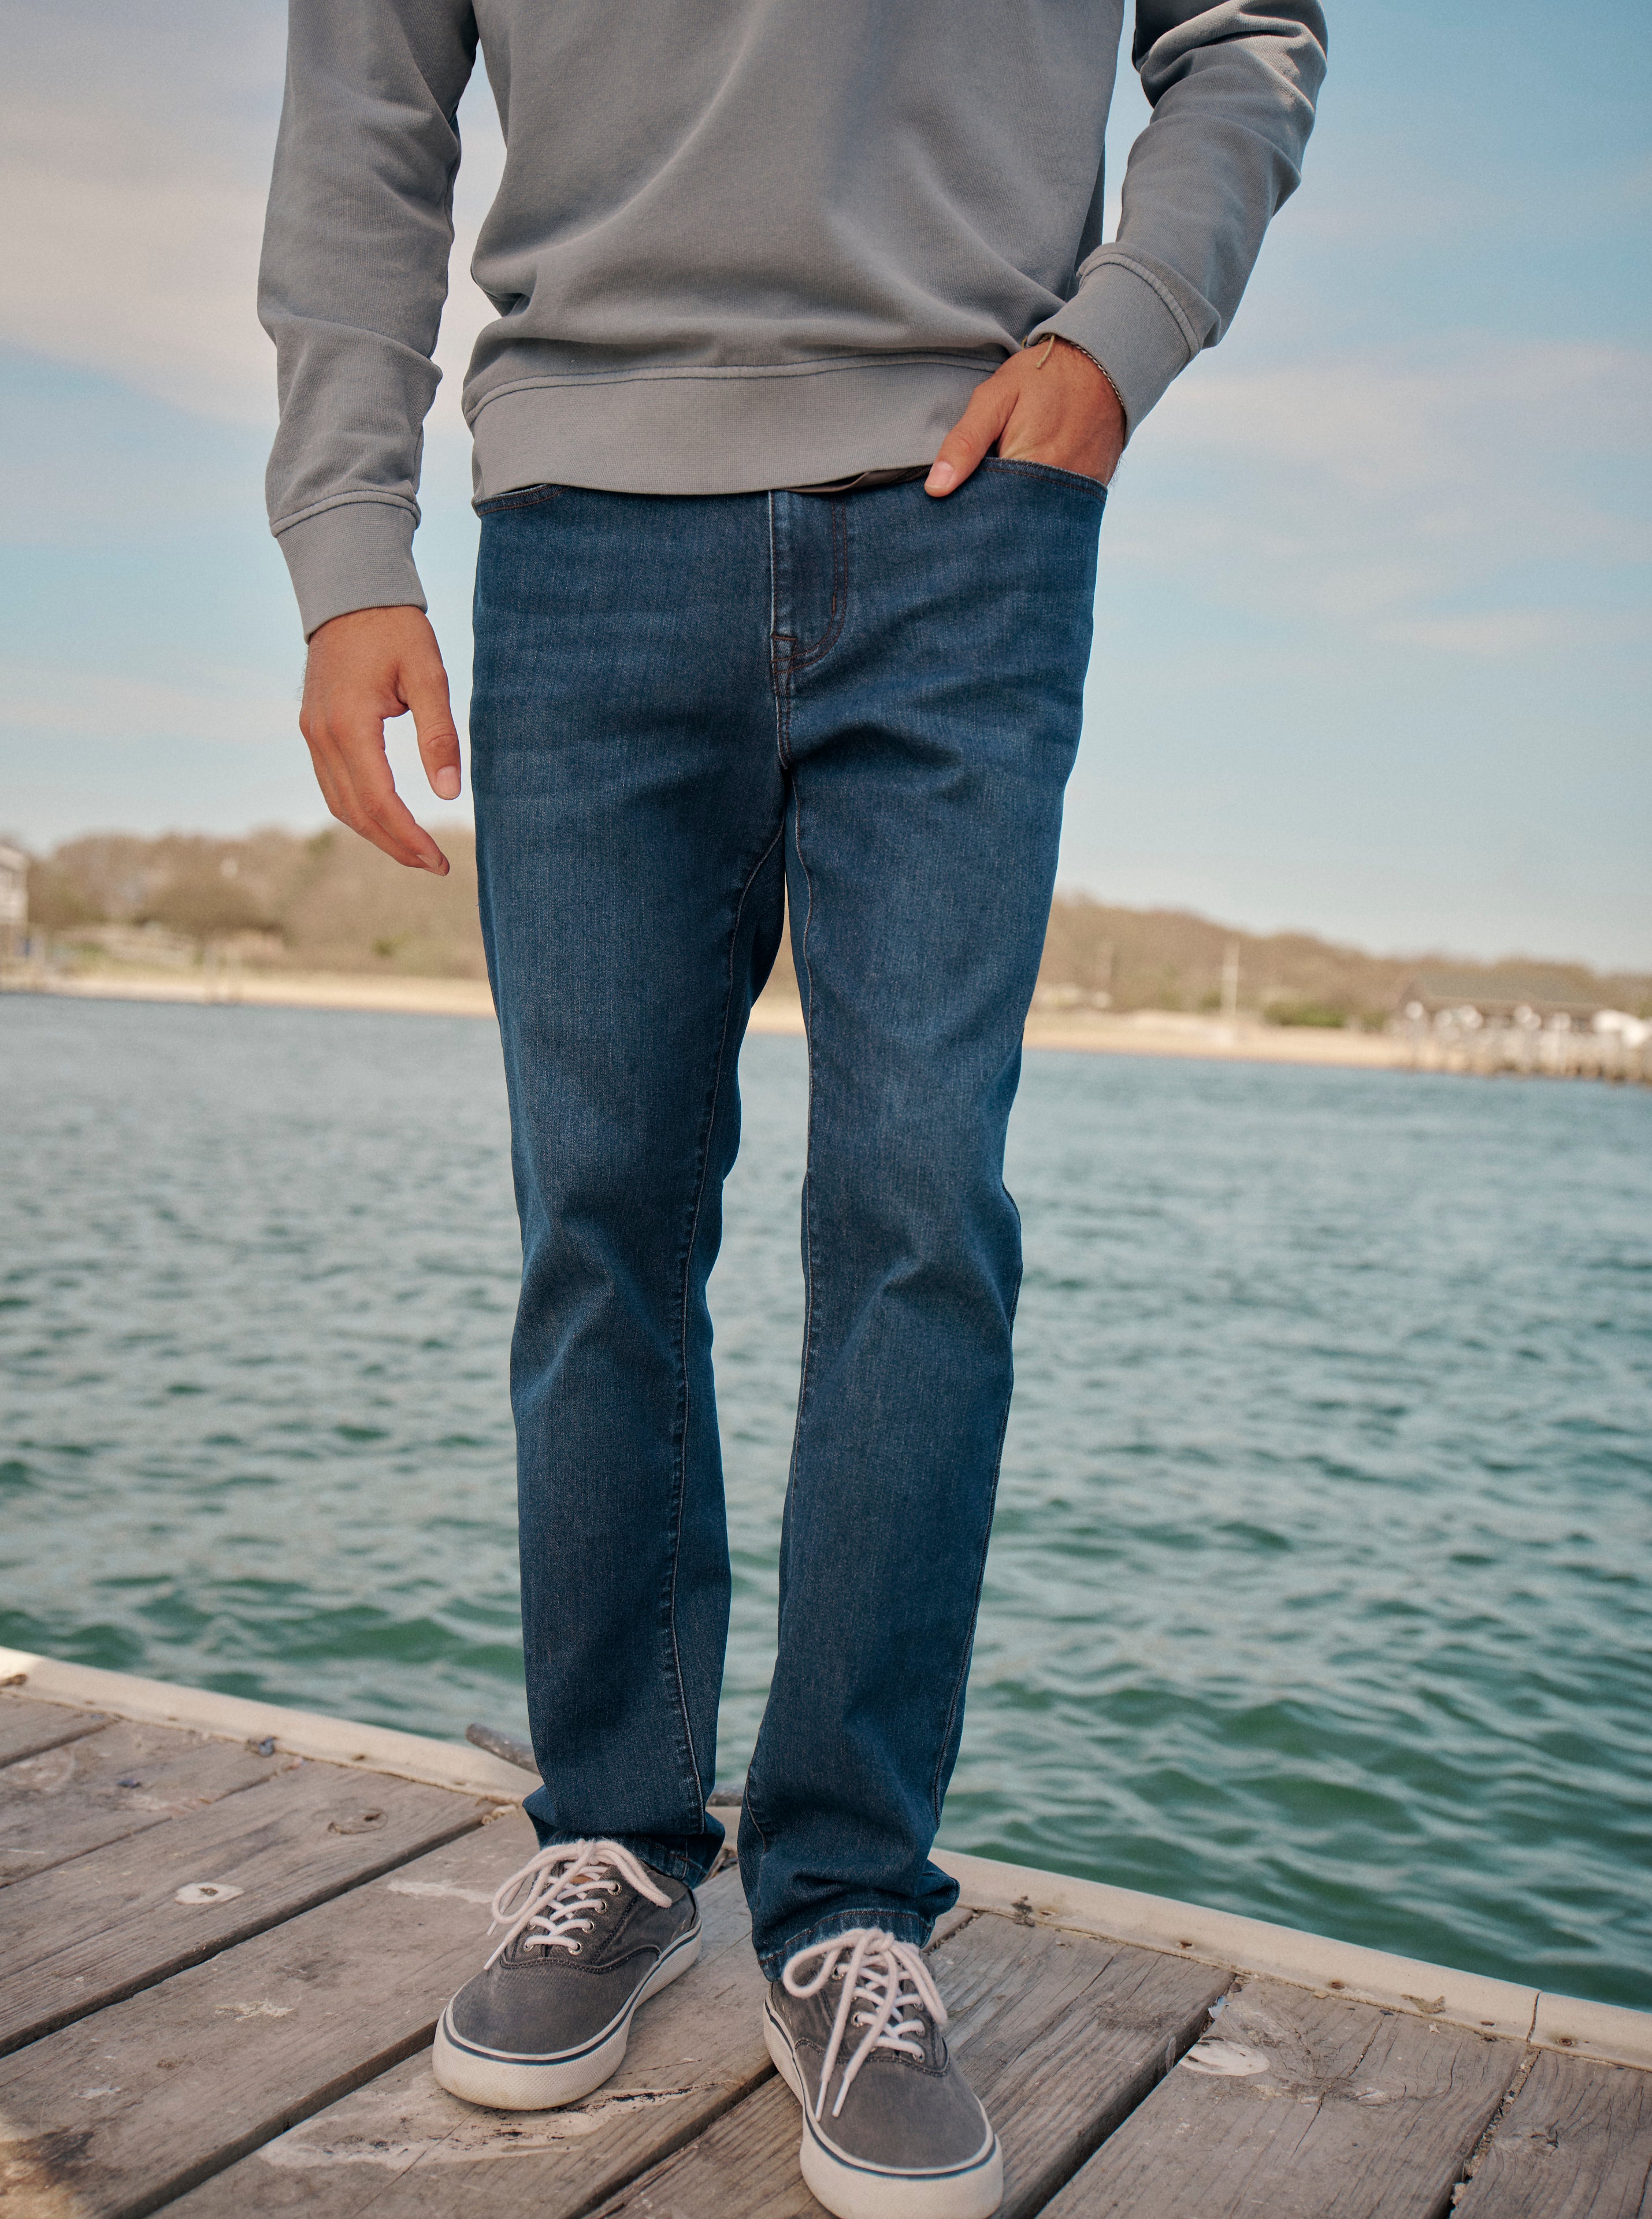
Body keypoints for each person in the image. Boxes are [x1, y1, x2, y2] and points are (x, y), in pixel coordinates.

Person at [261, 5, 1325, 2211]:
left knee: (922, 1212)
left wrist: (1125, 332)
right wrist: (349, 538)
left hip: (972, 506)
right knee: (604, 1219)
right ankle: (618, 1843)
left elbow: (1248, 38)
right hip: (579, 526)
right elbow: (370, 108)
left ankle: (847, 1907)